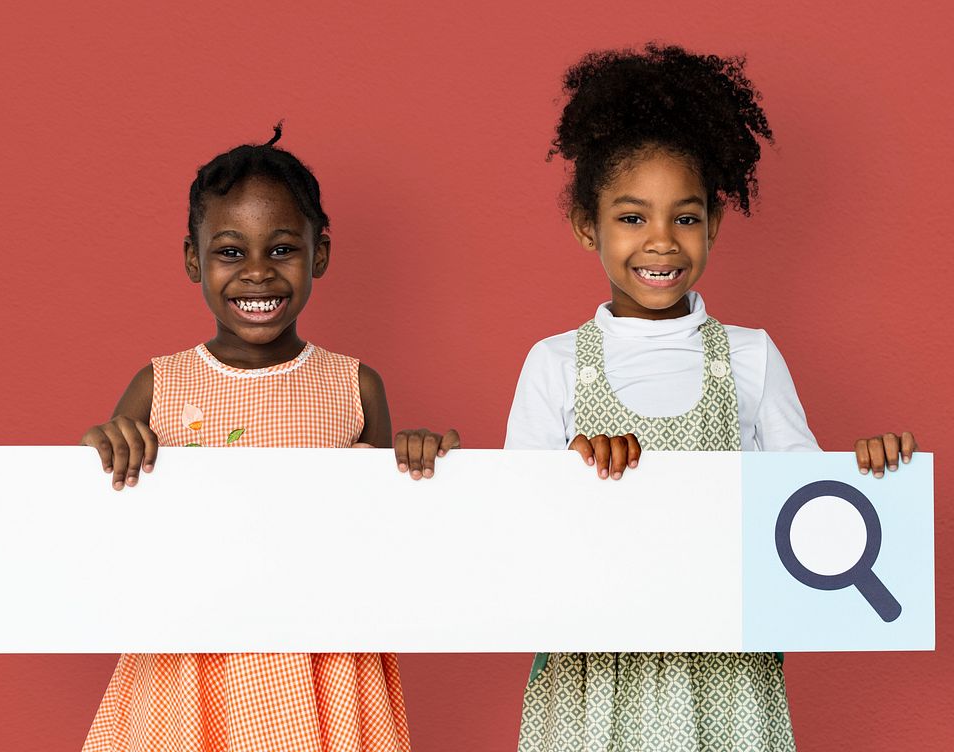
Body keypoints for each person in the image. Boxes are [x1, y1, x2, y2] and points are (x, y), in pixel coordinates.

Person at [505, 44, 917, 752]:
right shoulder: (556, 364)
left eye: (685, 218)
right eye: (632, 218)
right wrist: (570, 476)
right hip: (594, 678)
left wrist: (866, 473)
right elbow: (513, 525)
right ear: (587, 226)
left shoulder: (751, 357)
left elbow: (810, 516)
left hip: (726, 673)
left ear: (714, 225)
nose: (661, 241)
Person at [80, 126, 458, 752]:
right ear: (193, 259)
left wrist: (412, 463)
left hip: (322, 662)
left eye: (282, 250)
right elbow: (103, 524)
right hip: (191, 660)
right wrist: (106, 445)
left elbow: (382, 536)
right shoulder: (160, 383)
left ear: (320, 254)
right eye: (230, 252)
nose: (257, 273)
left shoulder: (354, 385)